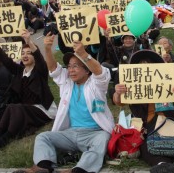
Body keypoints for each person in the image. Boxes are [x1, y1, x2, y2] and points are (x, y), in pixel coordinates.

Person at [14, 34, 114, 173]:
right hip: (71, 133)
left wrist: (83, 54)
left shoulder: (96, 85)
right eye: (69, 66)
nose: (71, 70)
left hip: (95, 133)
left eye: (76, 66)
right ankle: (44, 167)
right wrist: (48, 49)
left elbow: (101, 73)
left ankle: (79, 170)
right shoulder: (67, 83)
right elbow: (54, 69)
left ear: (86, 70)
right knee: (43, 137)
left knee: (102, 140)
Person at [0, 29, 57, 151]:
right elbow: (5, 60)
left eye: (28, 53)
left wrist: (29, 40)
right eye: (23, 53)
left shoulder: (40, 70)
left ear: (33, 56)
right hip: (26, 108)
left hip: (42, 109)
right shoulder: (19, 71)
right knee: (11, 107)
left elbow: (39, 57)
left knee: (16, 108)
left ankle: (6, 137)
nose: (25, 55)